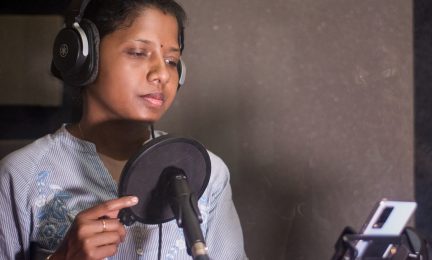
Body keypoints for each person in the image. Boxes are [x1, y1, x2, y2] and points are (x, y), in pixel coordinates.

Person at [0, 0, 247, 259]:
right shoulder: (19, 177)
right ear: (84, 57)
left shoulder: (206, 174)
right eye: (139, 53)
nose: (162, 74)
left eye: (172, 61)